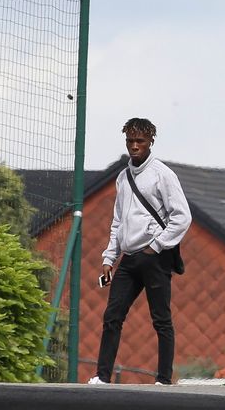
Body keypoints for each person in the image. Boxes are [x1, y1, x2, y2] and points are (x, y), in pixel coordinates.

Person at [88, 118, 192, 385]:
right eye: (130, 141)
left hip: (154, 257)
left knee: (161, 319)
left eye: (140, 141)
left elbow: (182, 216)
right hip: (128, 258)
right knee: (112, 316)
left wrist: (155, 245)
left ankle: (164, 379)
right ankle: (102, 376)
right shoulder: (123, 177)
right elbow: (118, 221)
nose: (135, 146)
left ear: (150, 142)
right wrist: (109, 257)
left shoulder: (163, 174)